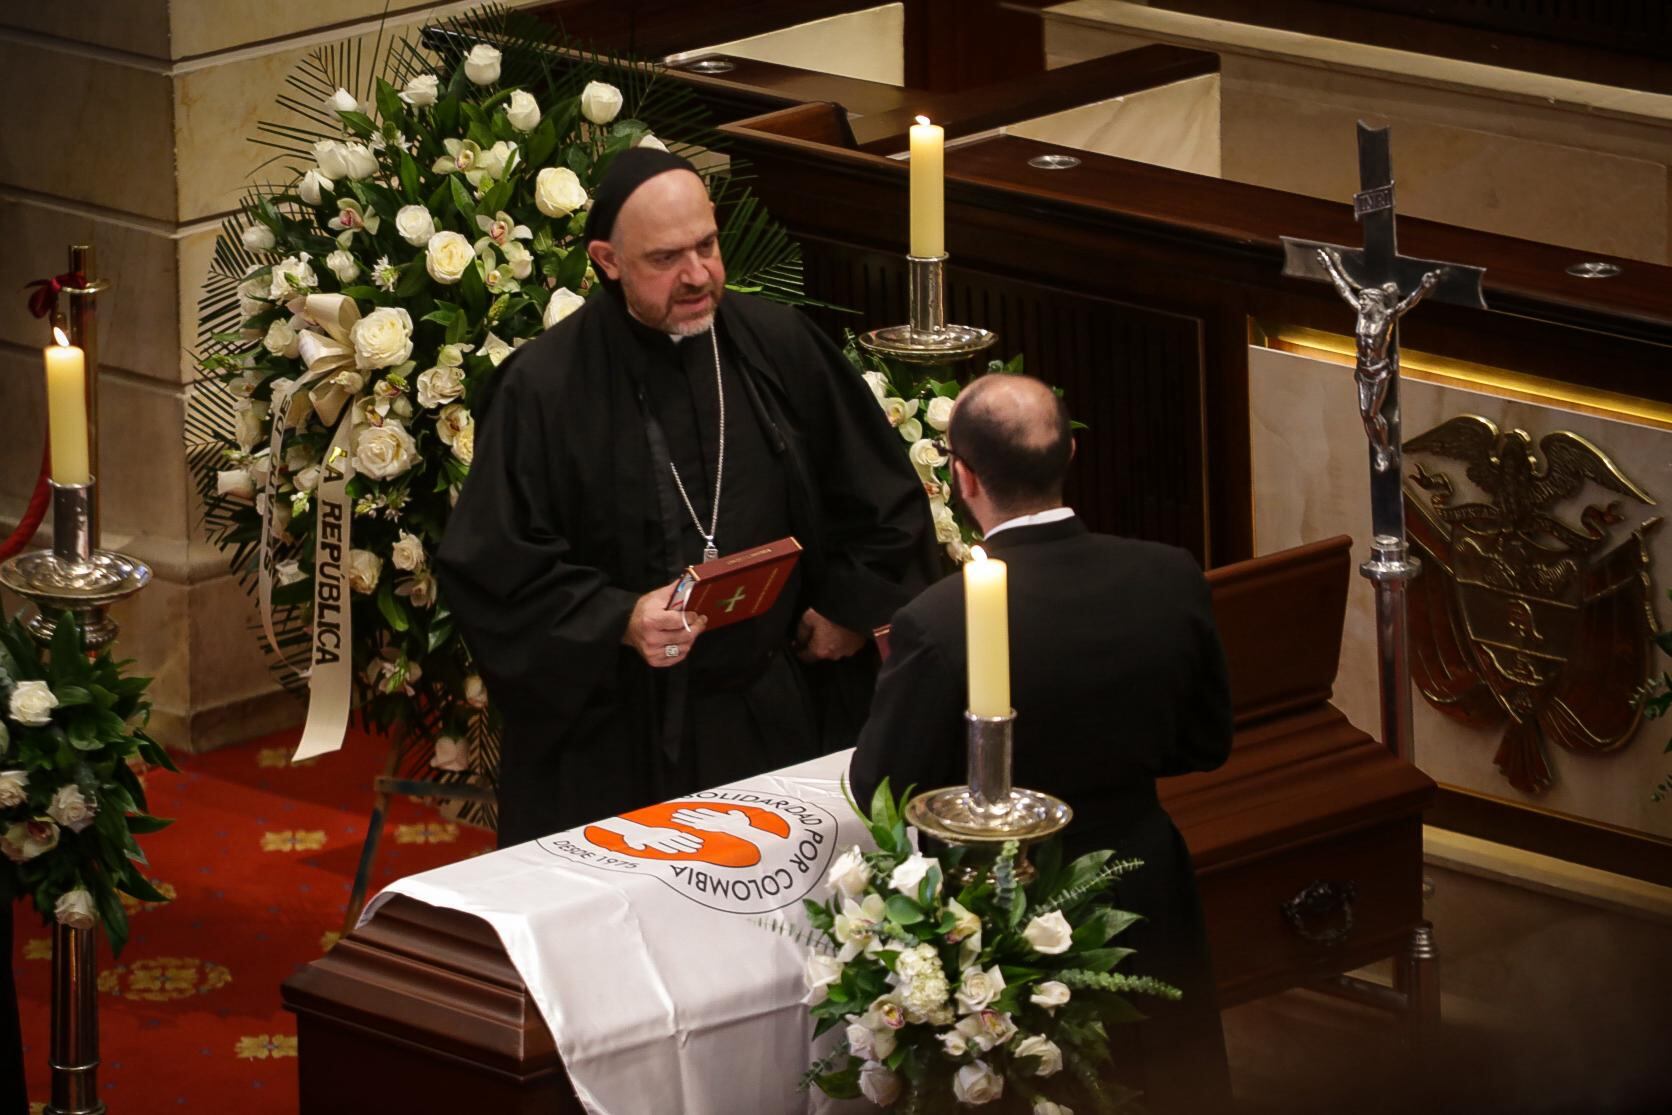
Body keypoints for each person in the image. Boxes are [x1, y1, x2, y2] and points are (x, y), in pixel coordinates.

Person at [437, 148, 937, 847]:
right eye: (667, 259)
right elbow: (493, 567)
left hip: (778, 715)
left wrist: (850, 612)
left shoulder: (778, 344)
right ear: (608, 261)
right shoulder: (544, 390)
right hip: (620, 743)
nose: (698, 275)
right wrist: (620, 616)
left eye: (707, 246)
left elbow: (883, 499)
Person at [848, 373, 1233, 1113]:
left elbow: (883, 792)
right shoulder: (1170, 576)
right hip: (1147, 875)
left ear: (961, 477)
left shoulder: (937, 619)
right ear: (1072, 453)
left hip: (1015, 904)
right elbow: (1207, 741)